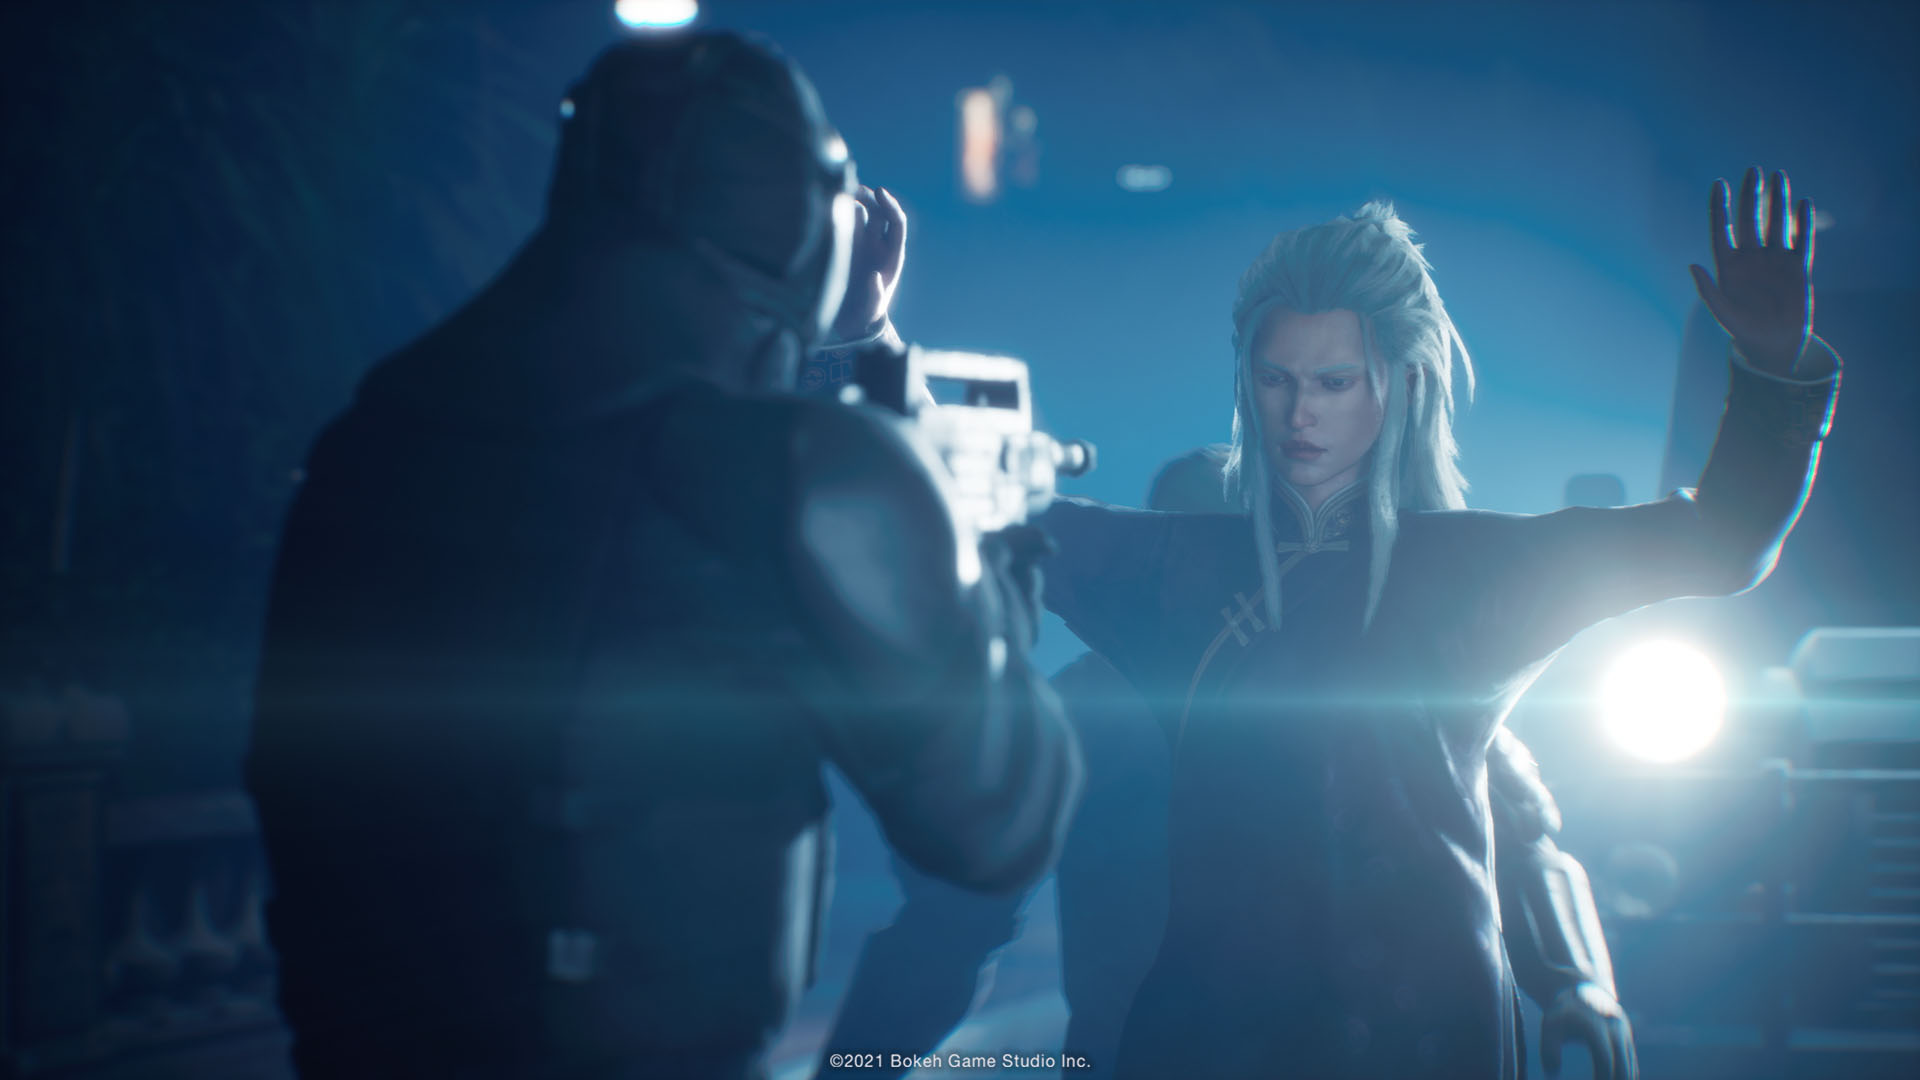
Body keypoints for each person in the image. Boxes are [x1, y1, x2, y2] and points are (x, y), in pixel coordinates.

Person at [245, 32, 1079, 1080]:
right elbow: (999, 825)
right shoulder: (803, 471)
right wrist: (986, 565)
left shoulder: (376, 435)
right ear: (799, 213)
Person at [1034, 169, 1837, 1078]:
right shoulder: (1176, 567)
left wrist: (1774, 371)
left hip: (1426, 1032)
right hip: (1214, 1034)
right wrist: (887, 376)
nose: (1299, 412)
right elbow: (974, 516)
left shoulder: (1477, 570)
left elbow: (1720, 541)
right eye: (1276, 378)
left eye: (1334, 381)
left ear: (1402, 383)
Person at [814, 452, 1638, 1080]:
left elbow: (1528, 840)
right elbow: (954, 919)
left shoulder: (1388, 692)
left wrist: (1577, 980)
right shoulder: (1089, 717)